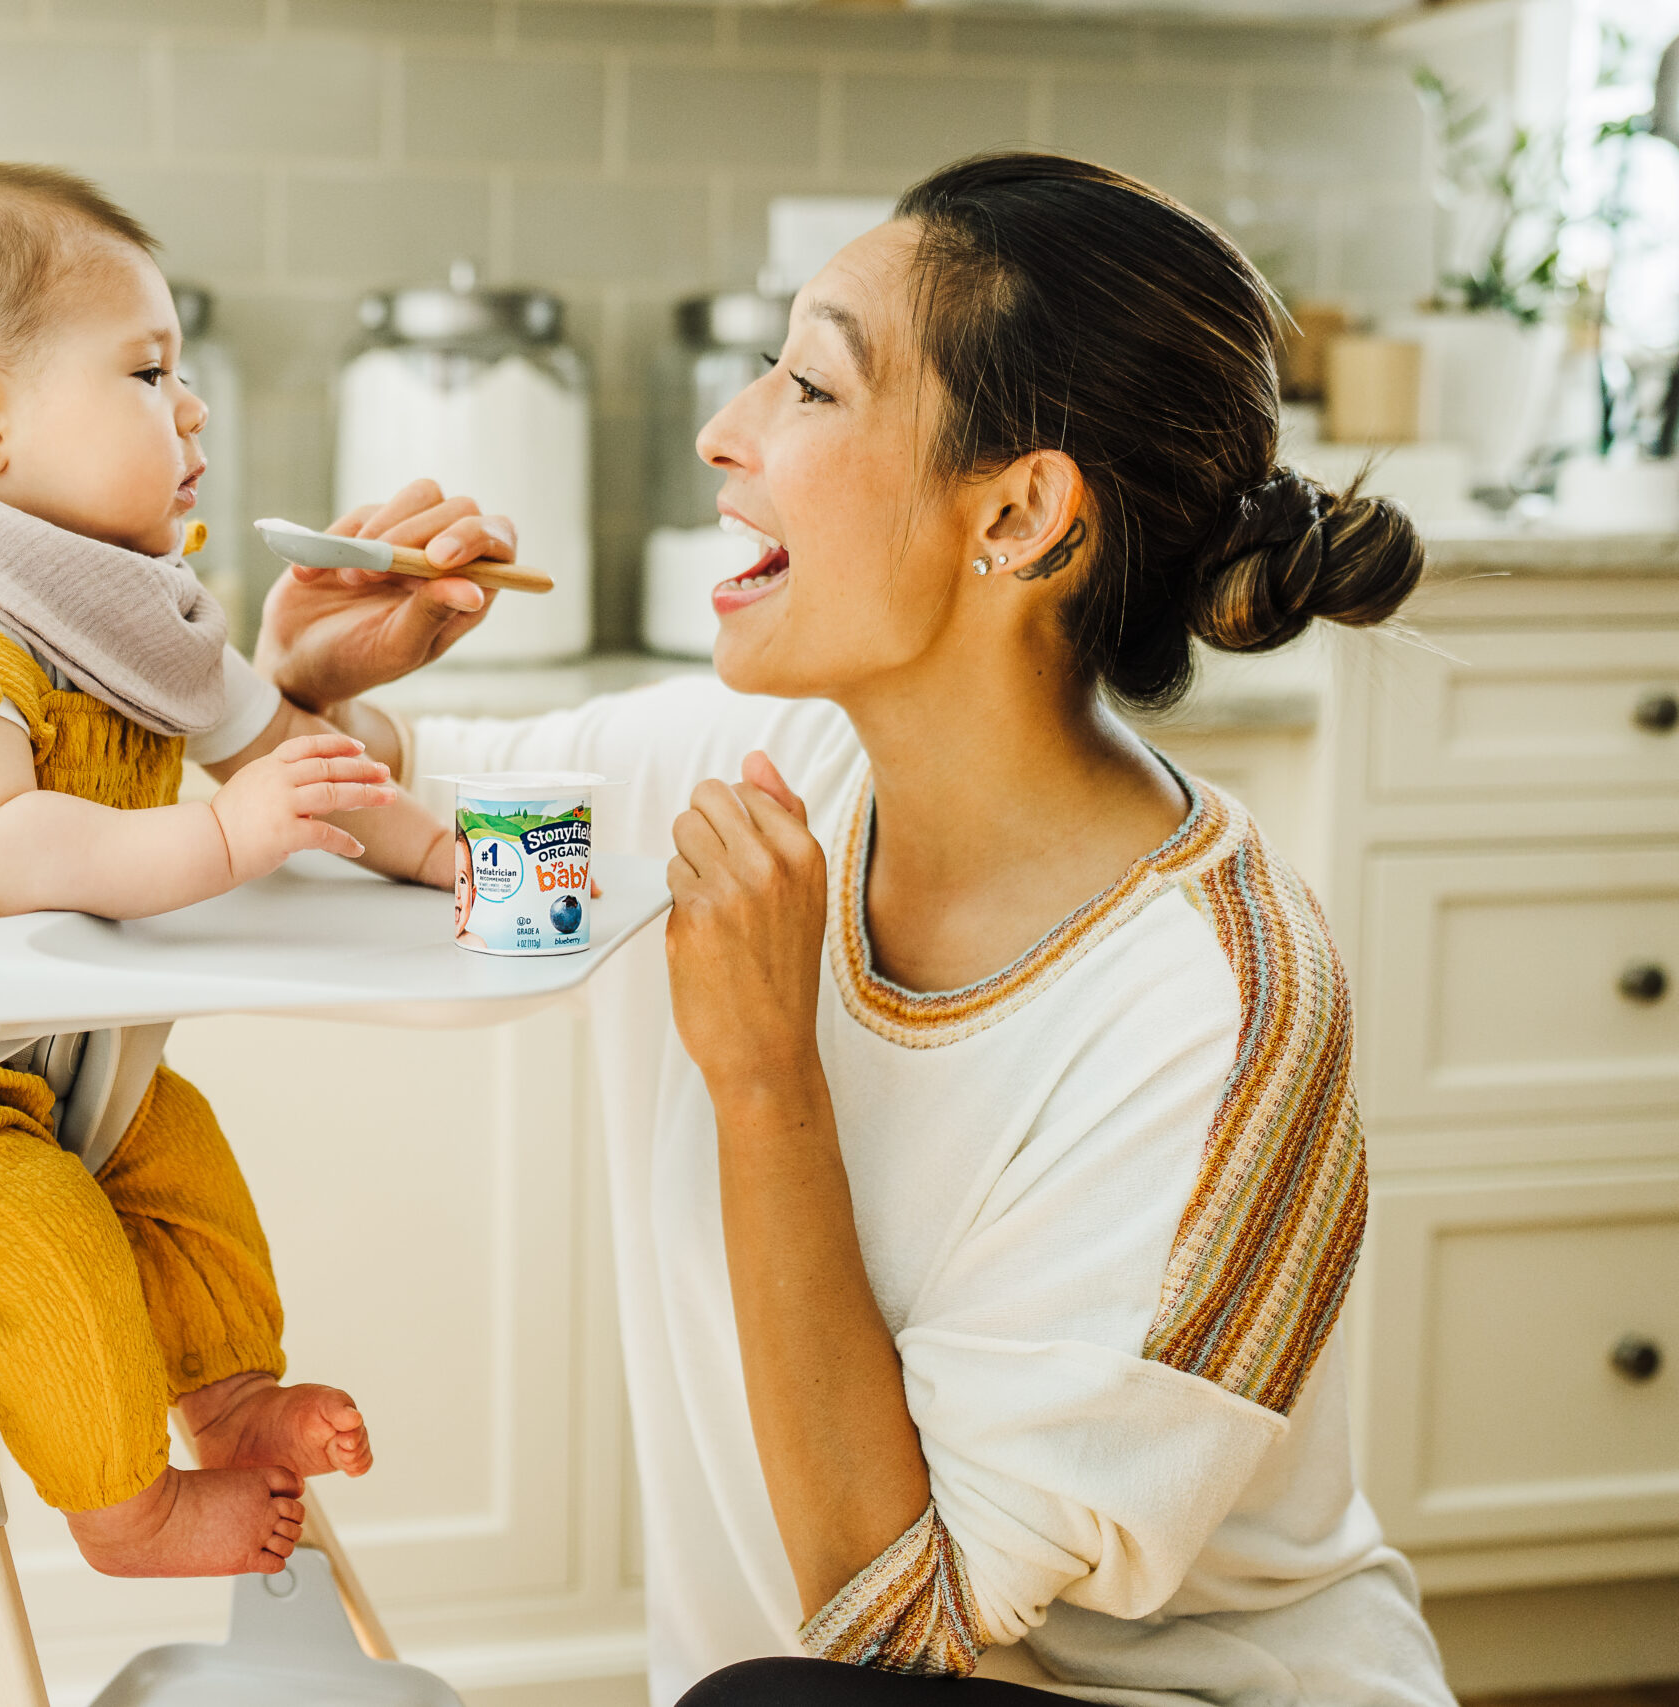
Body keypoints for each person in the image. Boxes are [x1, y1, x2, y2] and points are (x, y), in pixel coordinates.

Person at [260, 153, 1454, 1703]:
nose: (725, 430)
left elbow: (903, 1638)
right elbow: (405, 821)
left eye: (811, 388)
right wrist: (295, 696)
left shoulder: (1210, 1012)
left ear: (1019, 512)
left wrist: (767, 1077)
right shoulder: (766, 776)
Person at [0, 163, 510, 1580]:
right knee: (55, 1252)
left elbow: (294, 753)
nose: (194, 406)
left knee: (184, 1155)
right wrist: (225, 838)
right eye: (150, 371)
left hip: (40, 1056)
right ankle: (125, 1510)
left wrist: (446, 854)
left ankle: (226, 1399)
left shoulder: (117, 611)